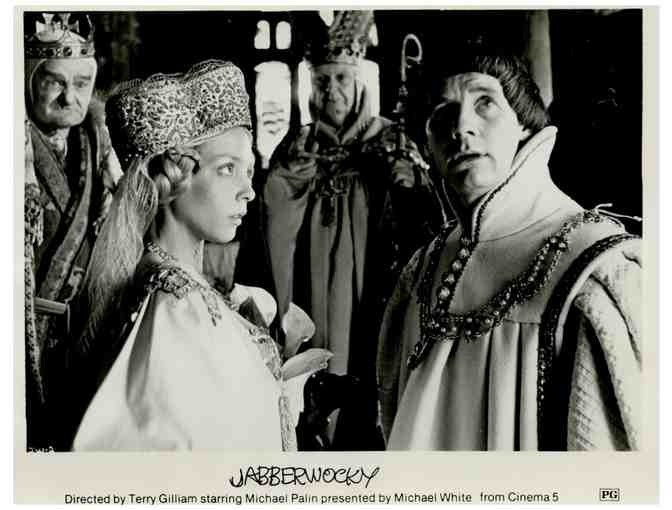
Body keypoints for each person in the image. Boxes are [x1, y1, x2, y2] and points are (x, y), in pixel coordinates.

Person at [377, 52, 641, 451]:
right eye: (442, 112)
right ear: (427, 144)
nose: (461, 127)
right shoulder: (422, 270)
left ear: (524, 124)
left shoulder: (593, 268)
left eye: (485, 103)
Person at [61, 60, 308, 451]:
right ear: (173, 178)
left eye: (248, 171)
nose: (248, 191)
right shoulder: (175, 306)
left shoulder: (180, 291)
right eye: (227, 169)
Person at [264, 11, 443, 449]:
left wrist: (407, 185)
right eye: (322, 81)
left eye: (342, 79)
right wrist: (289, 180)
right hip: (310, 283)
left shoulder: (391, 141)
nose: (332, 91)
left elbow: (426, 222)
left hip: (370, 283)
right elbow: (270, 218)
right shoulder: (298, 145)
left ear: (359, 81)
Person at [23, 13, 122, 449]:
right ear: (28, 81)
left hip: (83, 330)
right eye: (55, 83)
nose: (70, 97)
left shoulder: (97, 144)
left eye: (82, 83)